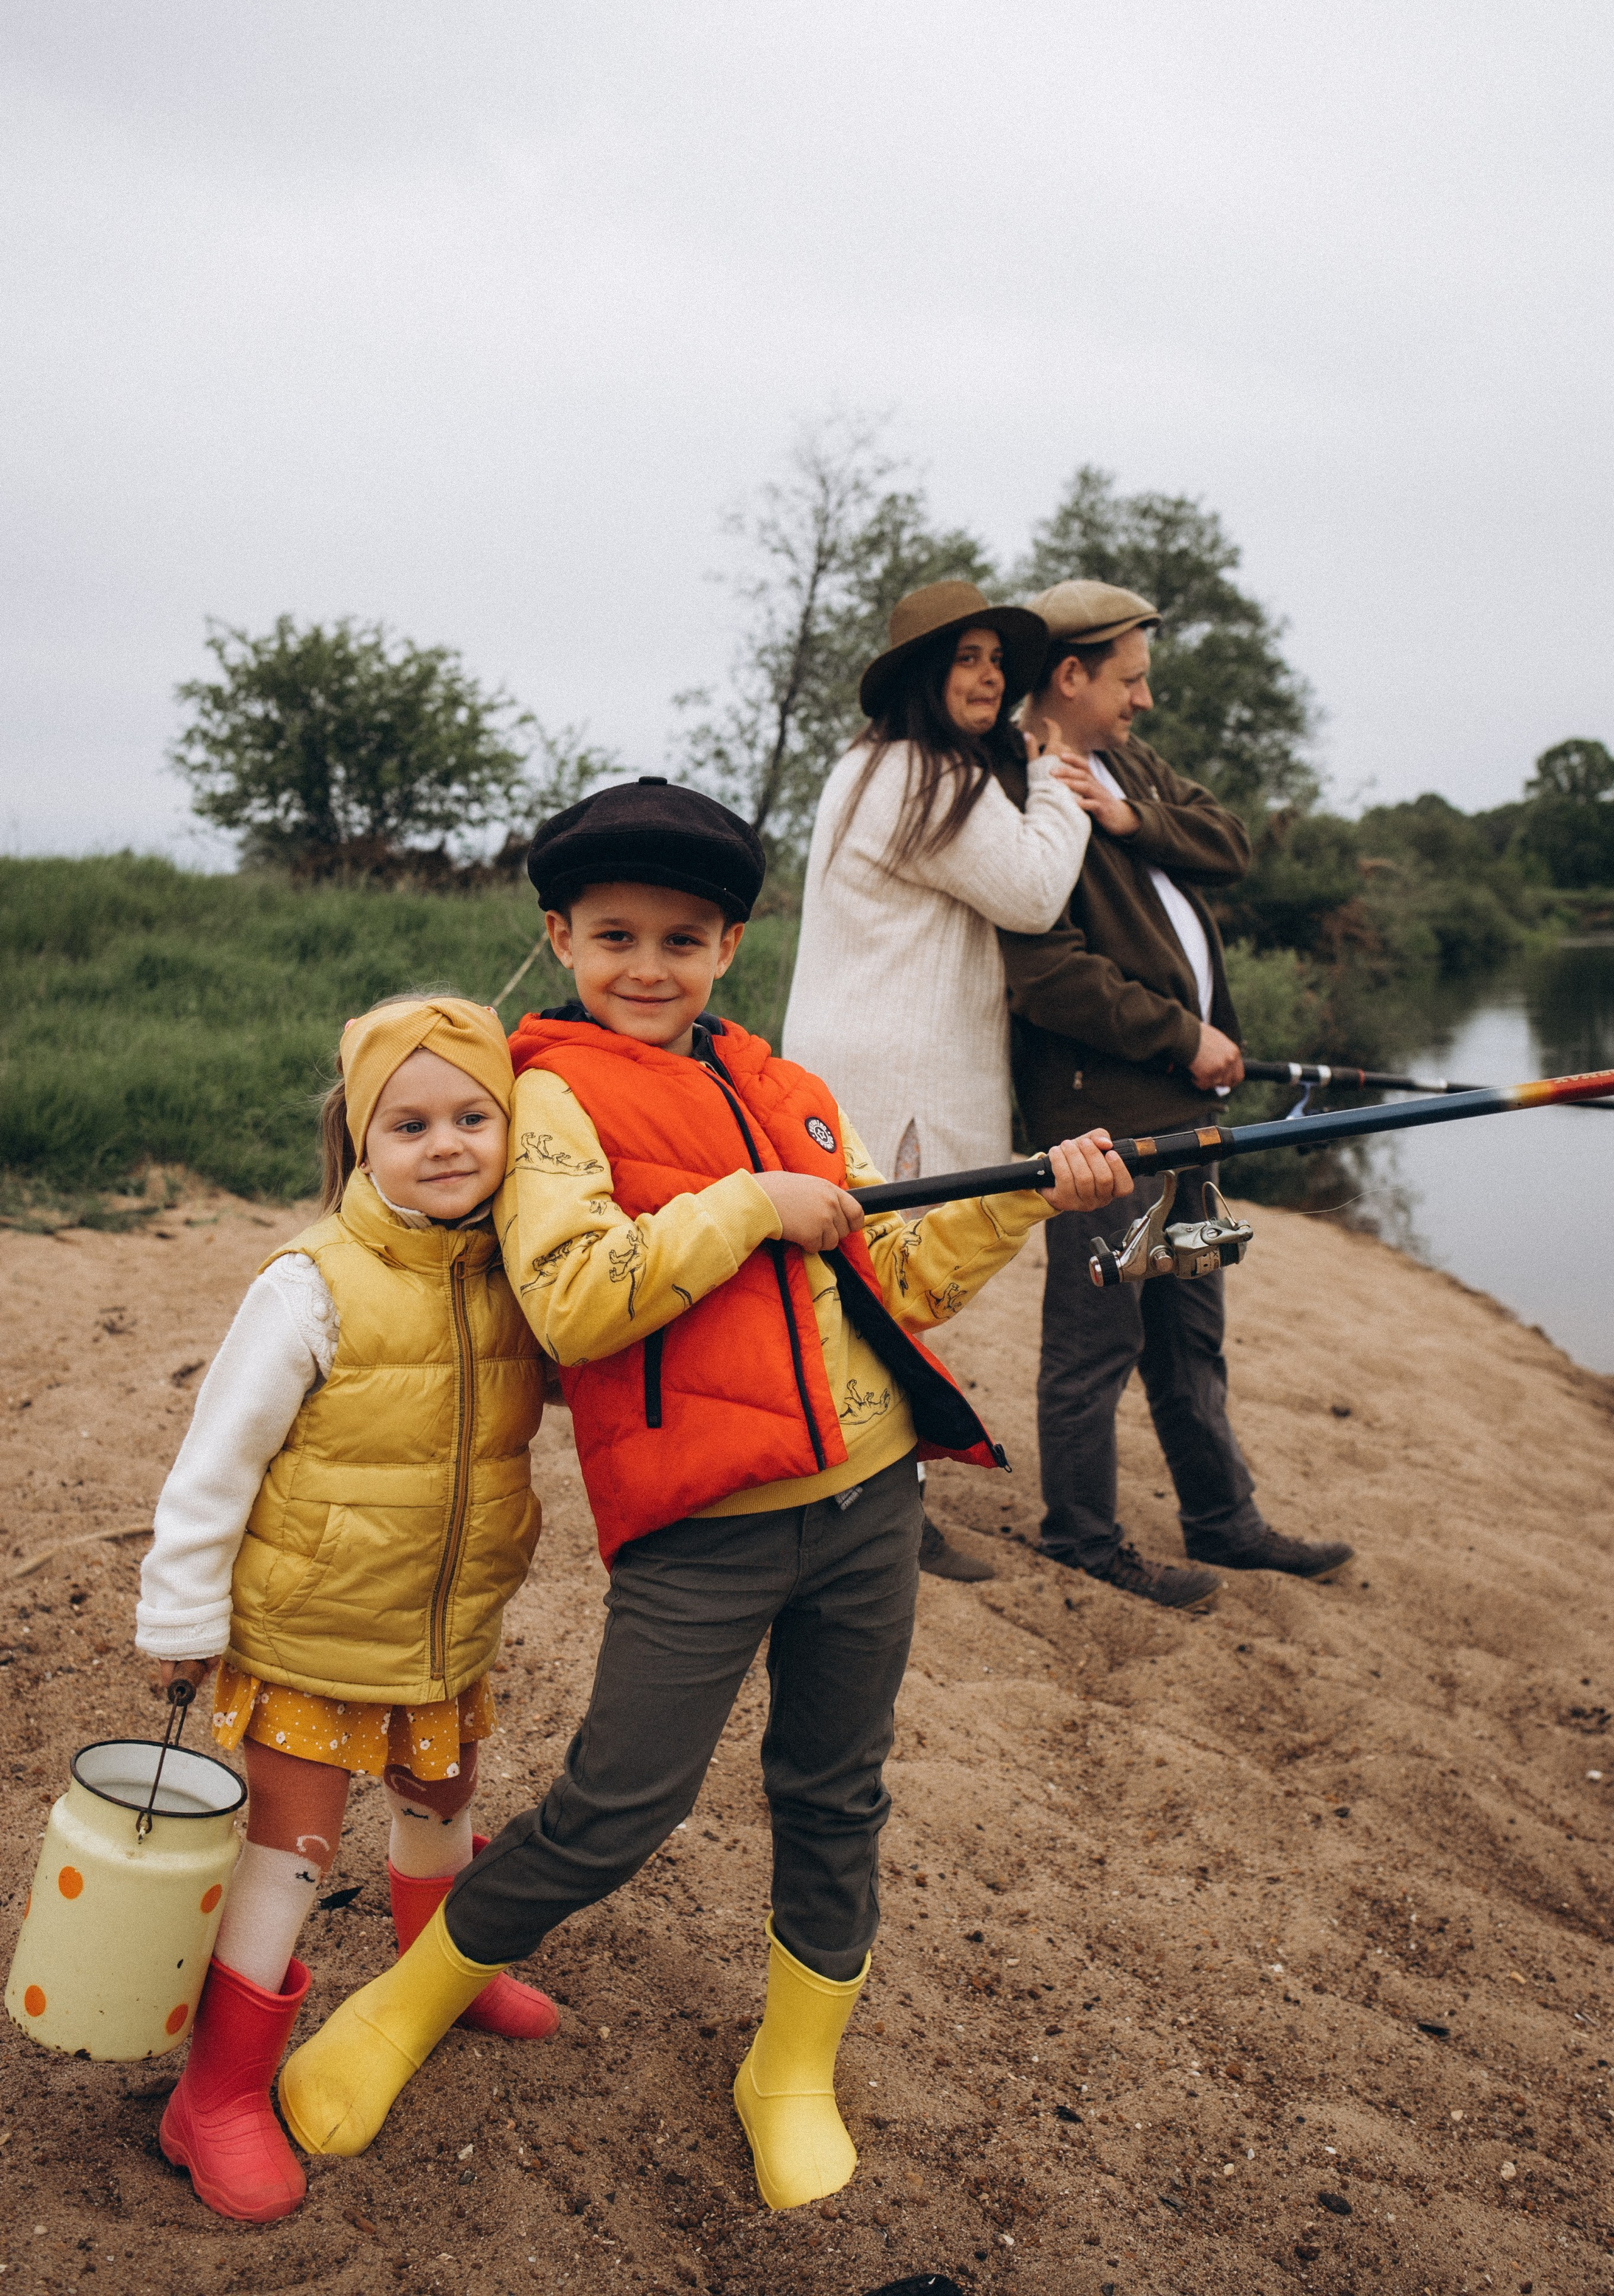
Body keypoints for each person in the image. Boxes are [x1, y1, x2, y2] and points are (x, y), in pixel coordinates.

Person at [277, 776, 1134, 2210]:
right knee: (619, 1804)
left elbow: (897, 1277)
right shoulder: (546, 1097)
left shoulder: (793, 1091)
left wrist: (1025, 1196)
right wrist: (745, 1208)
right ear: (560, 936)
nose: (647, 967)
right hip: (701, 1526)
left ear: (728, 947)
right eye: (615, 935)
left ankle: (787, 2069)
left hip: (869, 1504)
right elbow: (570, 1302)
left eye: (683, 939)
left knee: (834, 1792)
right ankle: (402, 2004)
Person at [134, 994, 555, 2224]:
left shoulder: (519, 1278)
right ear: (358, 1138)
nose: (444, 1143)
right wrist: (179, 1614)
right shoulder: (308, 1285)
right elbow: (214, 1461)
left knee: (442, 1808)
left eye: (472, 1116)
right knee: (289, 1859)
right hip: (311, 1640)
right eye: (408, 1121)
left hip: (442, 1634)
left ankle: (445, 1974)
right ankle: (211, 2096)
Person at [998, 581, 1354, 1609]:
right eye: (1130, 679)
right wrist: (1184, 1034)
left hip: (1187, 1124)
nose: (1144, 700)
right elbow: (1050, 976)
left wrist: (1130, 814)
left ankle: (1224, 1520)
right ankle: (1080, 1538)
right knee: (1099, 1336)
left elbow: (1229, 844)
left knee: (1193, 1324)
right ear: (1070, 677)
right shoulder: (1022, 788)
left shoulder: (1126, 766)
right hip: (1107, 1132)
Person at [784, 580, 1093, 1582]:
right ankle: (886, 1508)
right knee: (892, 1285)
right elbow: (1036, 893)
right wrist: (1058, 779)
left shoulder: (875, 770)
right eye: (967, 659)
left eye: (998, 662)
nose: (991, 678)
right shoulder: (922, 777)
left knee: (867, 1284)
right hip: (898, 1071)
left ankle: (876, 1491)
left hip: (864, 1057)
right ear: (923, 674)